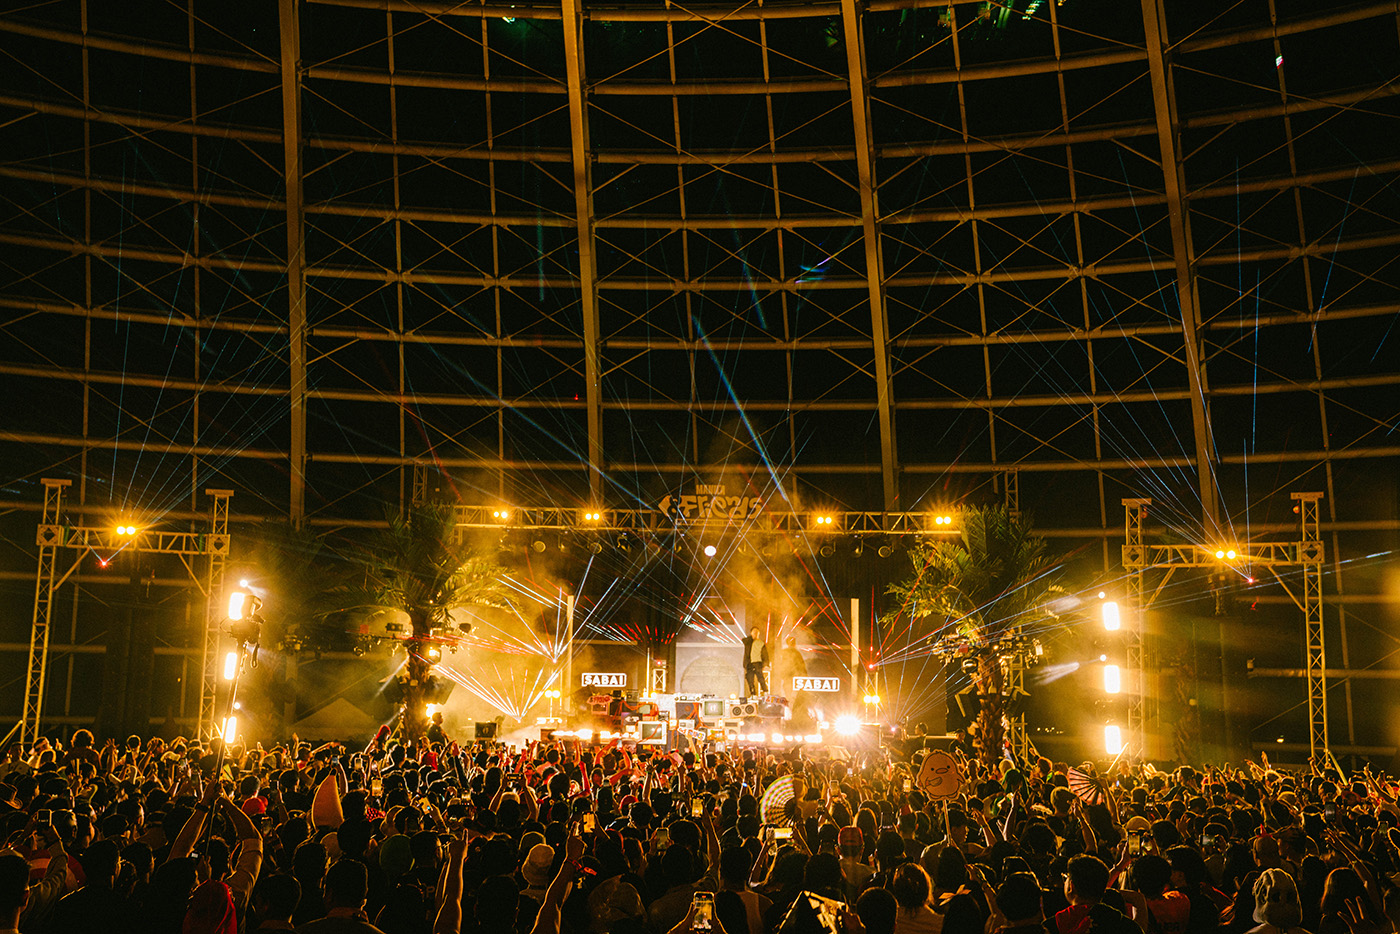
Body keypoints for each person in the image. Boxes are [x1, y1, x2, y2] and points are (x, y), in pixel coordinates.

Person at [742, 627, 769, 696]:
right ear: (751, 633)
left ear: (759, 633)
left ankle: (765, 691)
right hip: (749, 663)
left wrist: (765, 664)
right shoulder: (748, 642)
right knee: (750, 679)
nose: (755, 633)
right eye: (754, 632)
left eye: (757, 632)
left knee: (760, 678)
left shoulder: (761, 643)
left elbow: (765, 654)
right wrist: (751, 638)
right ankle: (753, 693)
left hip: (757, 662)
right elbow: (743, 640)